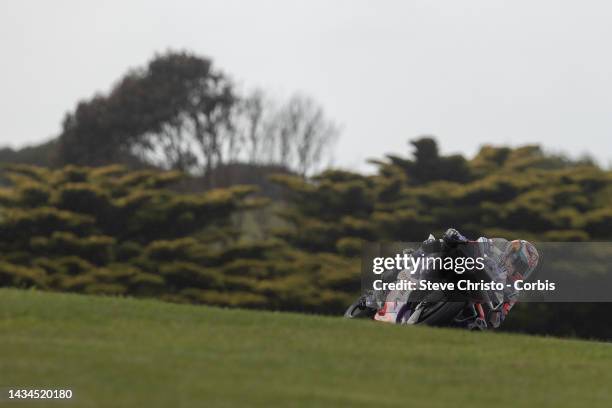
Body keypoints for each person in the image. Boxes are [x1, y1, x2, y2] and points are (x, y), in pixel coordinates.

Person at [440, 227, 540, 330]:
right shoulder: (494, 249)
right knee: (443, 242)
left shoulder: (513, 292)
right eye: (521, 266)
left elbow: (497, 320)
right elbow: (476, 243)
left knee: (479, 324)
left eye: (526, 270)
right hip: (465, 268)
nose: (521, 272)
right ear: (512, 255)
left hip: (474, 296)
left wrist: (498, 313)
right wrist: (461, 239)